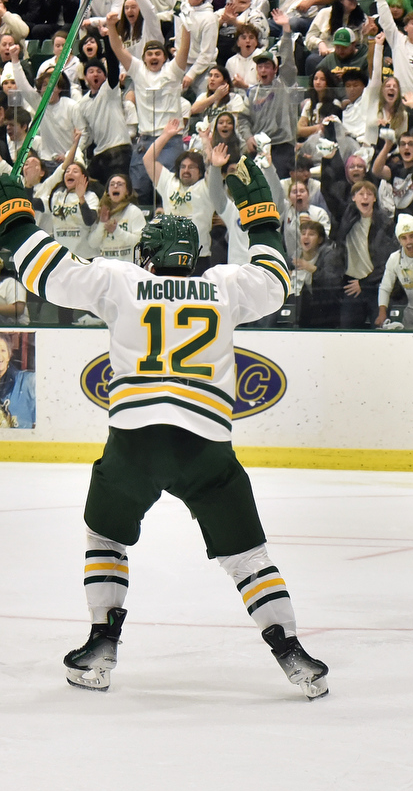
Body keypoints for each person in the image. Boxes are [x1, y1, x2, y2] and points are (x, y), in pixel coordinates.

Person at [0, 152, 328, 698]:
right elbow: (276, 281)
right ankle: (292, 652)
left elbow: (47, 274)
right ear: (195, 255)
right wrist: (257, 211)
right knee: (248, 556)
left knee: (105, 534)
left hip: (136, 440)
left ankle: (102, 641)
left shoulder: (121, 280)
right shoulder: (223, 285)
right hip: (207, 445)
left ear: (146, 254)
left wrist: (11, 210)